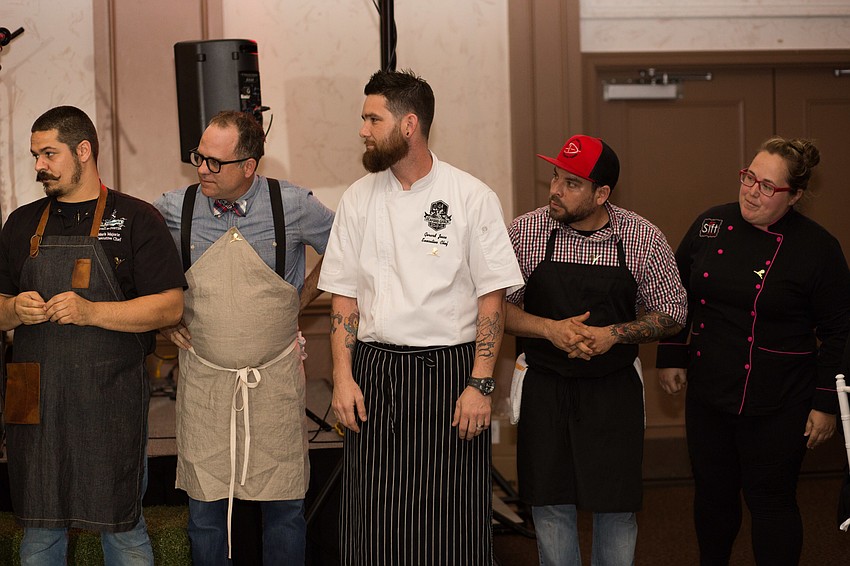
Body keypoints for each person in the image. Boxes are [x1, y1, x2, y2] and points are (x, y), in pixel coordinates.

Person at [317, 69, 524, 566]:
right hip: (374, 373)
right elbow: (342, 301)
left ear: (409, 125)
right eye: (363, 118)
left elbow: (491, 302)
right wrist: (343, 380)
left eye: (373, 118)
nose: (363, 129)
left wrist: (482, 385)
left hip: (450, 376)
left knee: (451, 519)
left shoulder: (472, 197)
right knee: (374, 517)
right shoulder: (357, 199)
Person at [0, 105, 185, 565]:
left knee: (120, 528)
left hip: (106, 400)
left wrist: (92, 311)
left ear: (84, 151)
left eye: (49, 153)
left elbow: (170, 305)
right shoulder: (21, 223)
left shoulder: (138, 218)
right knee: (40, 531)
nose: (39, 165)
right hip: (32, 399)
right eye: (35, 155)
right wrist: (12, 309)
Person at [656, 136, 850, 565]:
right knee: (712, 495)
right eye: (749, 177)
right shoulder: (712, 224)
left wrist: (825, 403)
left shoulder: (818, 249)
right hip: (709, 389)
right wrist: (672, 352)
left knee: (771, 501)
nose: (751, 190)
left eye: (767, 186)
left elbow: (840, 332)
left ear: (795, 195)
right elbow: (678, 292)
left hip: (780, 397)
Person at [154, 110, 334, 565]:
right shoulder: (173, 209)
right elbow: (133, 268)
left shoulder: (292, 205)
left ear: (249, 165)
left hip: (273, 383)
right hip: (205, 385)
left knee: (284, 510)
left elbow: (347, 251)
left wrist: (300, 298)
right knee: (206, 512)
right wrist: (163, 316)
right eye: (199, 157)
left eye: (215, 162)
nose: (202, 169)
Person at [505, 134, 688, 566]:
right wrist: (550, 329)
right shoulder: (526, 231)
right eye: (555, 177)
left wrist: (614, 335)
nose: (555, 190)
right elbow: (495, 311)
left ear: (601, 193)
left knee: (615, 507)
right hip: (545, 386)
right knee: (549, 505)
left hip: (612, 389)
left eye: (571, 183)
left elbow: (674, 312)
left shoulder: (641, 237)